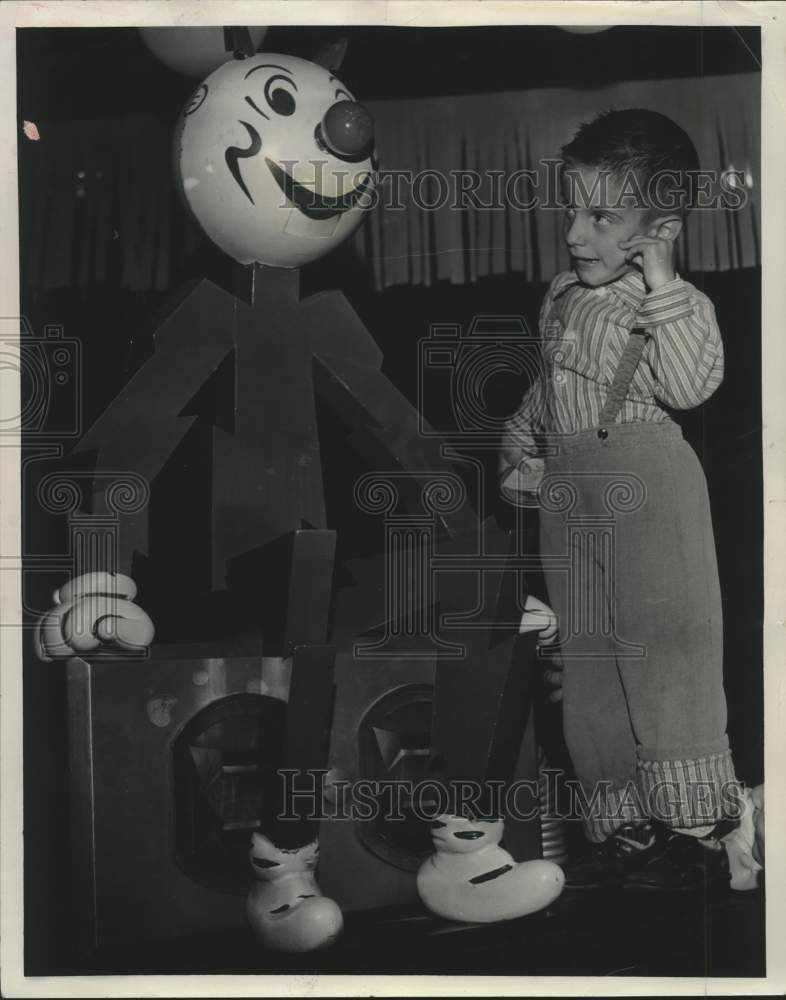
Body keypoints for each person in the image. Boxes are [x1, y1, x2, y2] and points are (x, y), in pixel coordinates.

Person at [500, 109, 762, 891]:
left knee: (665, 654)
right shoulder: (561, 293)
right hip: (573, 490)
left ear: (660, 229)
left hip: (650, 488)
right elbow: (555, 384)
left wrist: (662, 282)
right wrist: (522, 429)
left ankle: (701, 821)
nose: (577, 233)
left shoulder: (673, 304)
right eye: (573, 209)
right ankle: (625, 822)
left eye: (603, 216)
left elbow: (690, 386)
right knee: (589, 661)